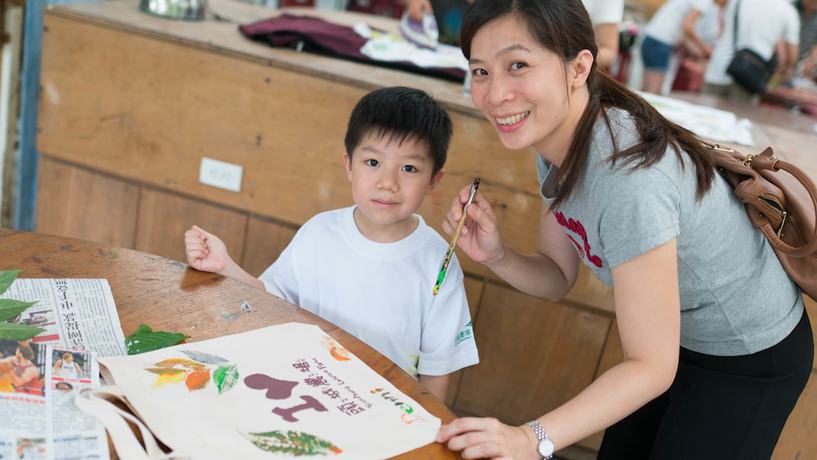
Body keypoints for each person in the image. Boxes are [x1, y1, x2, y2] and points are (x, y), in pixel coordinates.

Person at [435, 1, 812, 458]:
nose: (495, 94)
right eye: (480, 71)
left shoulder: (628, 179)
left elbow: (651, 368)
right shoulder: (556, 141)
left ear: (579, 67)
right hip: (675, 343)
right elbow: (557, 275)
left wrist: (528, 439)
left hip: (748, 357)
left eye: (518, 65)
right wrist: (496, 255)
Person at [184, 86, 479, 401]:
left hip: (382, 414)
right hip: (298, 390)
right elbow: (272, 299)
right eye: (372, 162)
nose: (388, 183)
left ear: (434, 179)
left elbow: (437, 372)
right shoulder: (319, 232)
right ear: (349, 164)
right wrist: (225, 266)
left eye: (409, 168)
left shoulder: (438, 264)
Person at [703, 0, 799, 102]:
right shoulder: (788, 11)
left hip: (718, 68)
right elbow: (792, 57)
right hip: (749, 77)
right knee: (738, 116)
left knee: (704, 113)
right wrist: (782, 73)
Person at [640, 0, 727, 94]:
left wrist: (697, 51)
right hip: (659, 43)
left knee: (647, 90)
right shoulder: (704, 2)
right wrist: (705, 49)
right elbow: (687, 27)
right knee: (654, 92)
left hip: (652, 39)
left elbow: (684, 32)